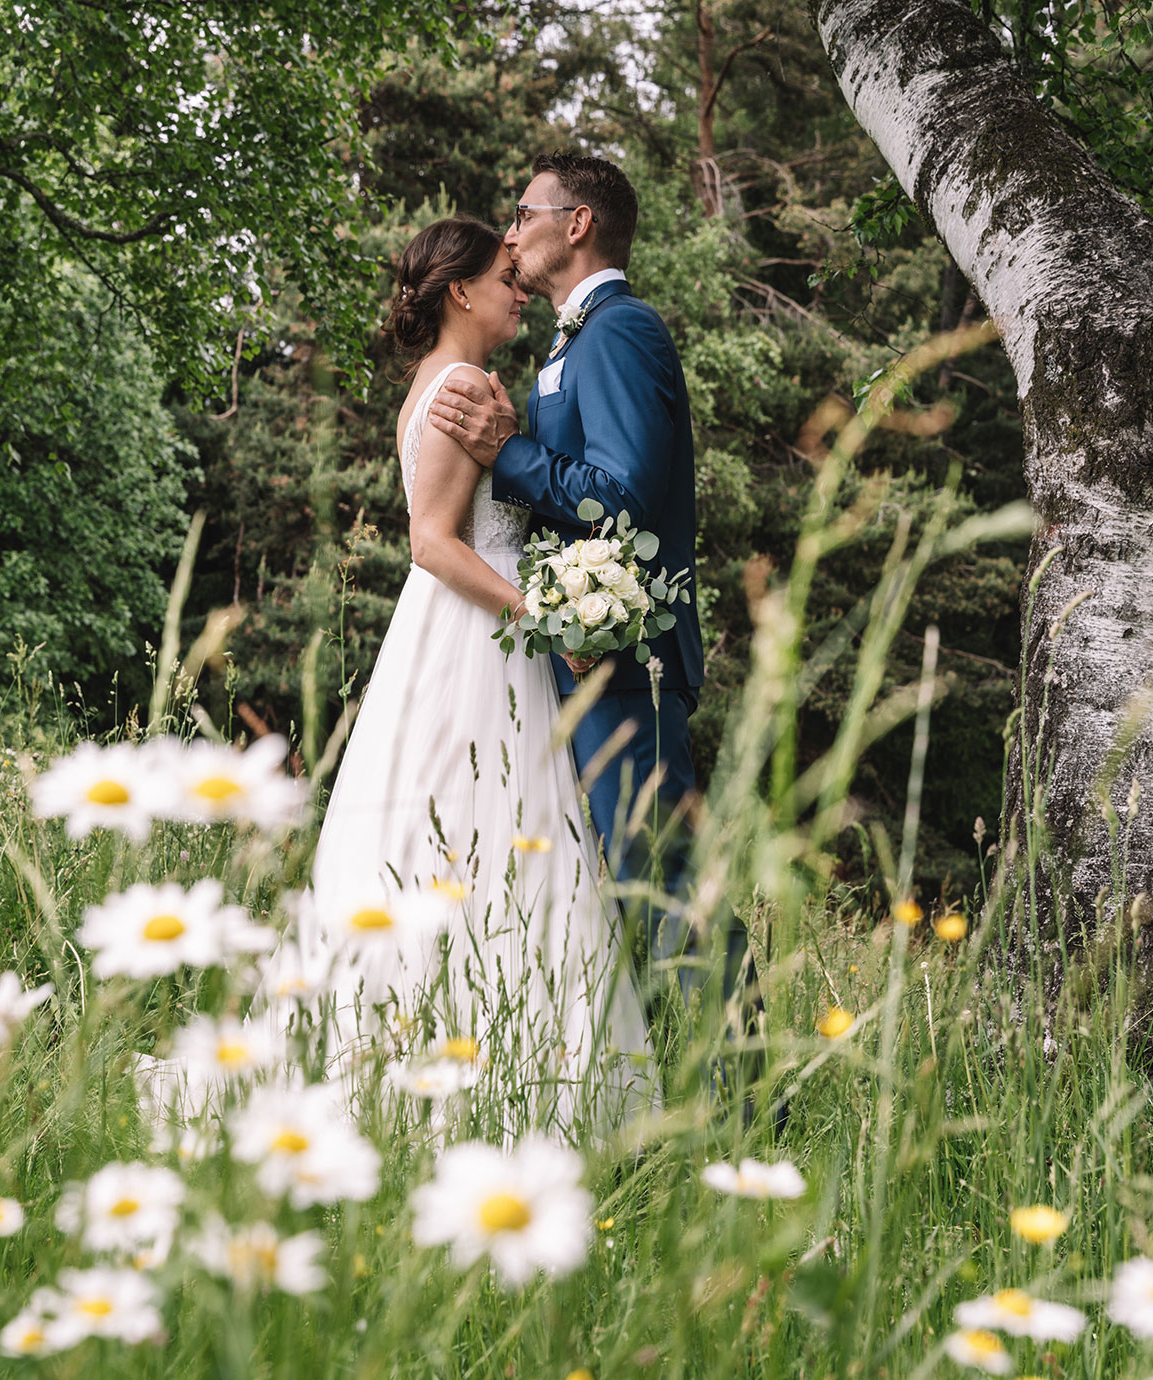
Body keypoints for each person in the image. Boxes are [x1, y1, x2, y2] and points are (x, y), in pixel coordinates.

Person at [305, 216, 654, 1134]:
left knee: (469, 840)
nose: (517, 288)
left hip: (456, 633)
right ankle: (508, 1085)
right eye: (503, 277)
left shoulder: (430, 386)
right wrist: (540, 612)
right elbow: (432, 543)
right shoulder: (459, 383)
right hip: (473, 636)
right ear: (459, 291)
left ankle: (453, 1065)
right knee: (491, 833)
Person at [428, 155, 749, 1045]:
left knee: (666, 879)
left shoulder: (621, 331)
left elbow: (623, 495)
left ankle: (746, 1106)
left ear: (575, 224)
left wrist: (510, 451)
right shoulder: (572, 342)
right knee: (633, 886)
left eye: (521, 210)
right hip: (583, 652)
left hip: (624, 656)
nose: (509, 230)